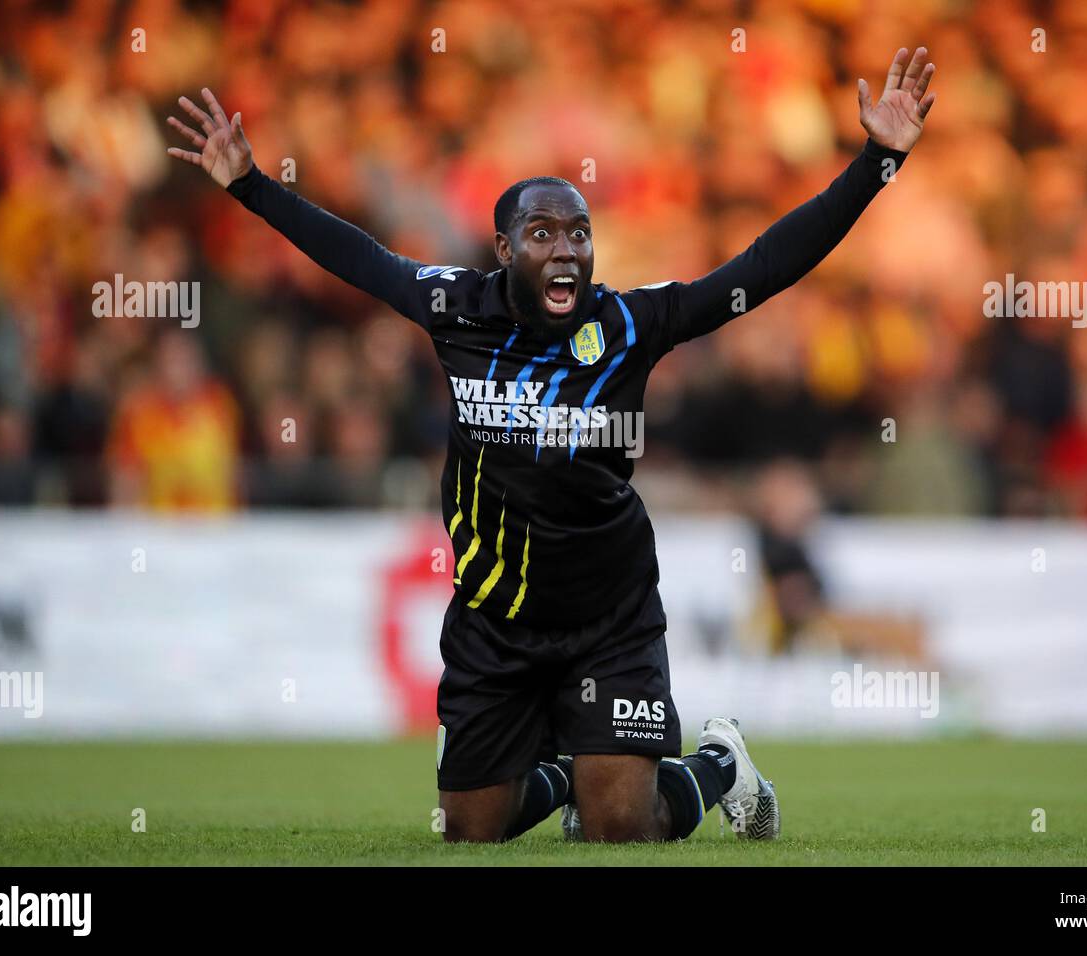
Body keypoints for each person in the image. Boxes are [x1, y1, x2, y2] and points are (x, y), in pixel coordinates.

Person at [167, 46, 936, 842]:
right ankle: (571, 766)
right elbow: (355, 257)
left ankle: (719, 763)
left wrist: (878, 161)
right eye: (541, 233)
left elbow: (767, 265)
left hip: (607, 612)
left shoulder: (631, 325)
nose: (565, 248)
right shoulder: (454, 309)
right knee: (468, 831)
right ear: (505, 251)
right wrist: (250, 187)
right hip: (494, 617)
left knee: (618, 828)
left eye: (578, 232)